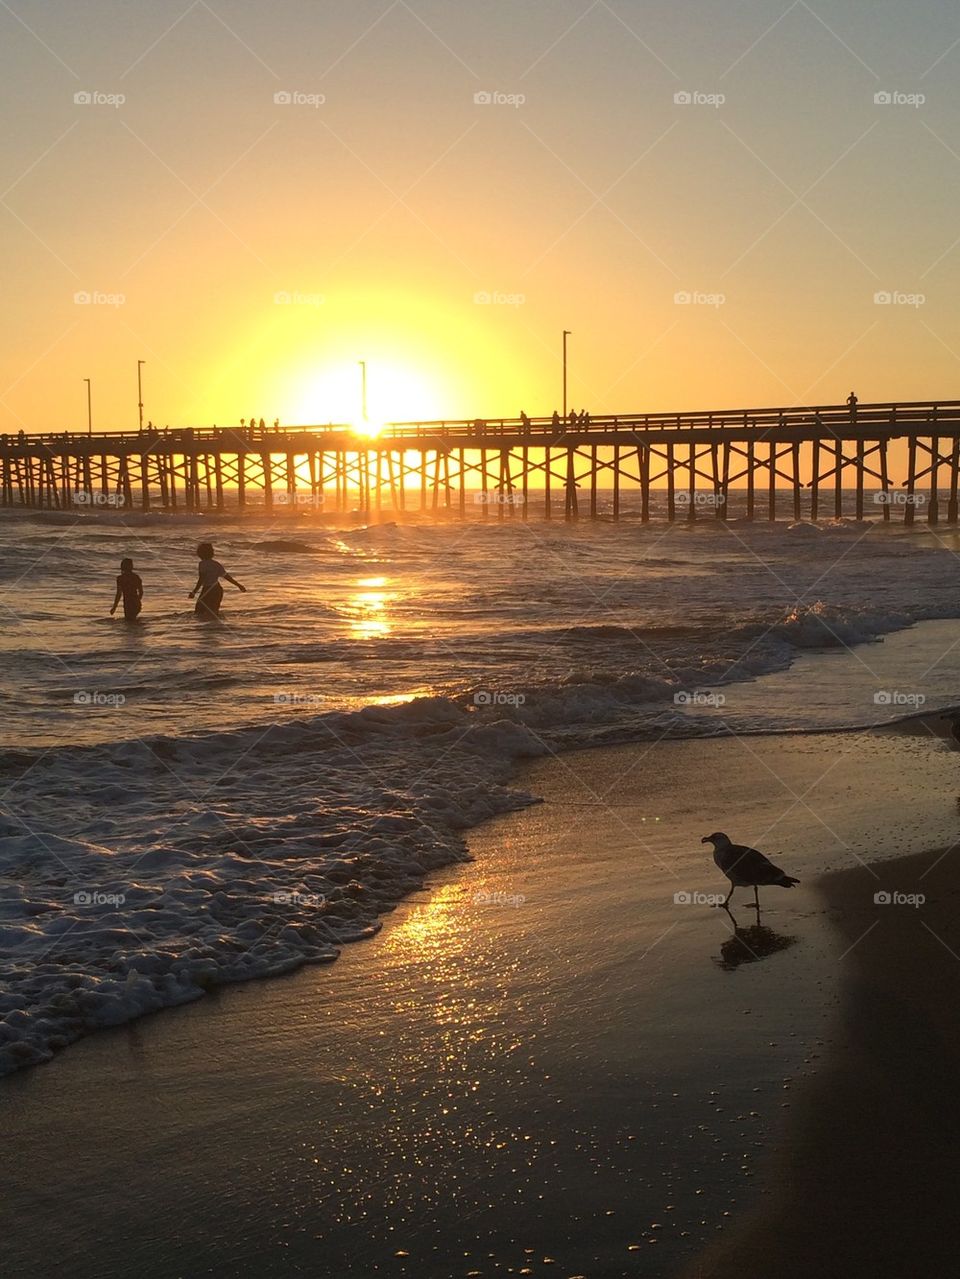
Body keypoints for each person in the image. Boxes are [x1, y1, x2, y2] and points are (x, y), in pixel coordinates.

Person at [189, 543, 246, 618]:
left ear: (200, 553)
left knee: (199, 612)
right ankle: (216, 625)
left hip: (208, 590)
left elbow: (201, 579)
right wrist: (239, 585)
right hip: (217, 590)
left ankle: (208, 625)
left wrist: (194, 592)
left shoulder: (202, 564)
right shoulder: (216, 564)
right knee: (213, 613)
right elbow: (227, 577)